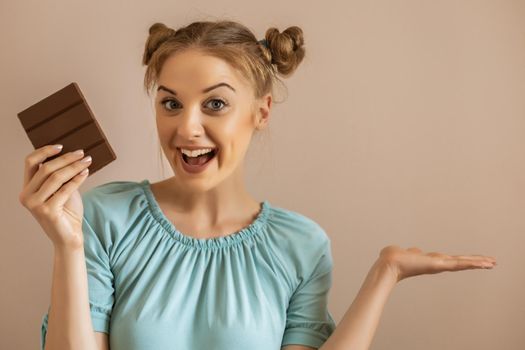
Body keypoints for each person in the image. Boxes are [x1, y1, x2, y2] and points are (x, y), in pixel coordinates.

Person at [19, 20, 497, 350]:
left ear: (261, 111)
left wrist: (385, 273)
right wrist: (68, 245)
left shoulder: (301, 245)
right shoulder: (102, 215)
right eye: (170, 104)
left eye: (215, 105)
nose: (186, 129)